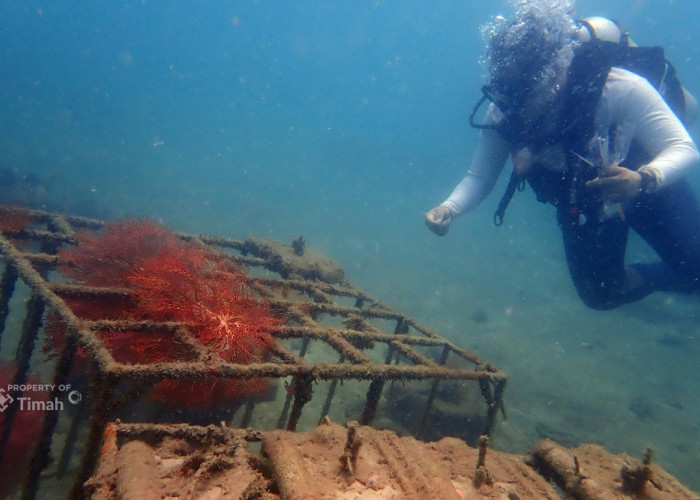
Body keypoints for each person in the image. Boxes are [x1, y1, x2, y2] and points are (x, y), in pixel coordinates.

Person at [425, 7, 700, 310]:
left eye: (526, 90)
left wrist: (645, 178)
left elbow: (683, 147)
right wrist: (449, 208)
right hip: (586, 203)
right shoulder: (506, 106)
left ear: (557, 67)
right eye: (510, 91)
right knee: (601, 295)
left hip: (653, 189)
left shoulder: (616, 87)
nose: (519, 105)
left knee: (697, 272)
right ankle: (673, 278)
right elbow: (479, 176)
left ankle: (688, 276)